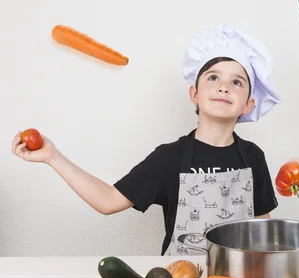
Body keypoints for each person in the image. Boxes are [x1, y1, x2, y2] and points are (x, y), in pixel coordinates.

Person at [11, 24, 281, 256]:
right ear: (194, 94)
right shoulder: (170, 158)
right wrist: (53, 157)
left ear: (248, 104)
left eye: (237, 82)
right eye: (213, 77)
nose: (224, 86)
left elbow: (262, 229)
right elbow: (108, 200)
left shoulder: (253, 157)